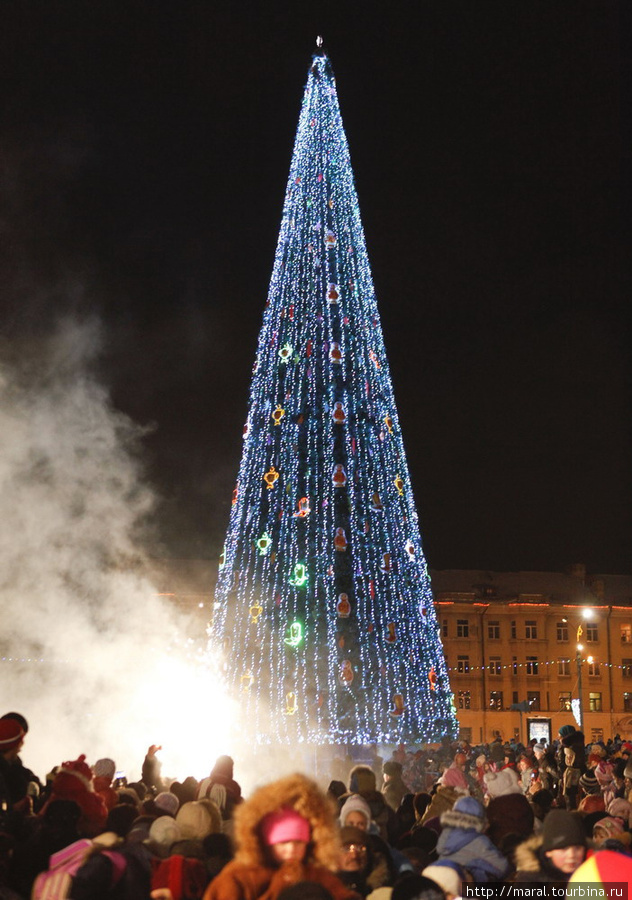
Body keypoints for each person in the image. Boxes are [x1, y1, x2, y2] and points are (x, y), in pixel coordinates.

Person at [203, 773, 359, 900]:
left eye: (299, 842)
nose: (291, 849)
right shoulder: (240, 876)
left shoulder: (315, 873)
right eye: (283, 843)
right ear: (267, 841)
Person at [514, 809, 587, 883]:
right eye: (563, 849)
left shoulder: (594, 870)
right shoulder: (529, 880)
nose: (571, 855)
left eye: (577, 848)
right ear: (548, 852)